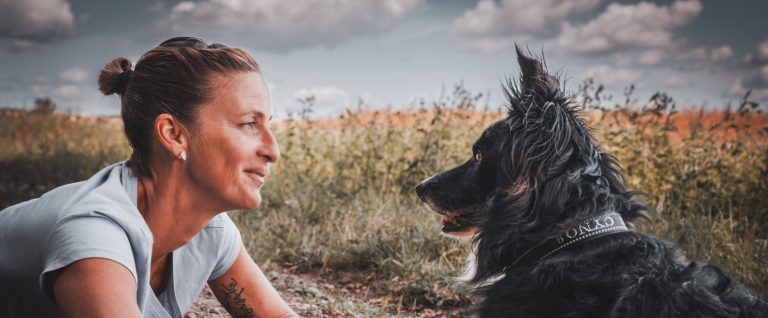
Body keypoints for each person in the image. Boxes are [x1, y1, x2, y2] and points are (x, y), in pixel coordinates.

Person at [0, 36, 298, 318]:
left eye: (267, 125)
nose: (274, 151)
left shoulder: (210, 230)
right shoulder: (93, 235)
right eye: (248, 124)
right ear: (174, 134)